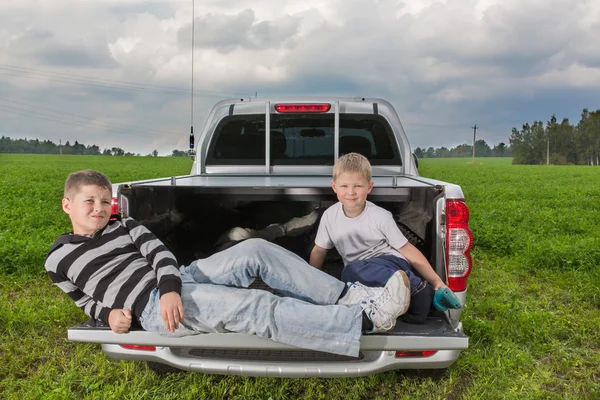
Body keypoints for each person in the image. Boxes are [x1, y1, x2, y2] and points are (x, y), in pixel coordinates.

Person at [44, 170, 412, 358]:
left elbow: (159, 255)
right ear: (66, 205)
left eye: (105, 201)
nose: (99, 208)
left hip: (176, 280)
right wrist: (106, 316)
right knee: (255, 306)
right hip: (152, 307)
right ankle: (365, 321)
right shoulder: (58, 259)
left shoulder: (122, 224)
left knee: (255, 249)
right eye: (89, 201)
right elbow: (83, 300)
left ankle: (350, 298)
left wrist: (172, 287)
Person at [309, 153, 460, 324]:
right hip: (362, 274)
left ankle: (418, 287)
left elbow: (407, 249)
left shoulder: (380, 216)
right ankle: (415, 304)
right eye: (344, 185)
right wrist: (312, 282)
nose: (350, 192)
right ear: (334, 186)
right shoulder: (330, 216)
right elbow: (319, 251)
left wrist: (436, 280)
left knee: (350, 272)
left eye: (358, 186)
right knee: (348, 281)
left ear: (369, 187)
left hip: (391, 262)